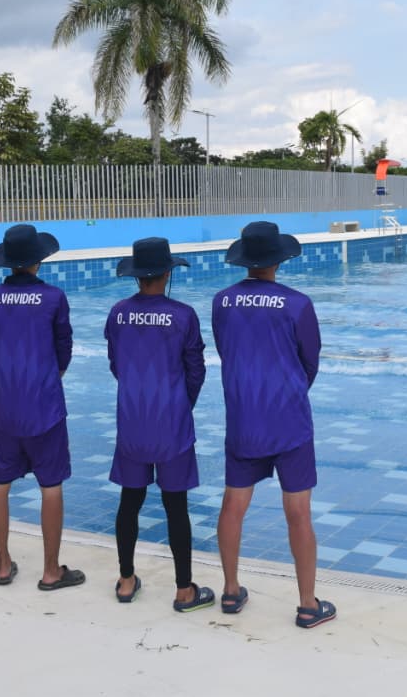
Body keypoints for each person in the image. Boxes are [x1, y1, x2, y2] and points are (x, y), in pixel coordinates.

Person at [212, 221, 336, 629]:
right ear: (279, 260)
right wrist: (290, 390)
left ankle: (230, 591)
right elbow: (310, 361)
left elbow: (225, 349)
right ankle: (306, 604)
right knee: (298, 512)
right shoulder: (297, 304)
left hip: (243, 417)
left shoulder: (222, 302)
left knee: (234, 505)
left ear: (244, 260)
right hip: (289, 420)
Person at [104, 237, 212, 611]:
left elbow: (116, 364)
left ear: (136, 277)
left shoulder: (118, 313)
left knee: (129, 501)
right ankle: (184, 590)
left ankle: (125, 579)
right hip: (172, 423)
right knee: (176, 506)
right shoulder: (183, 315)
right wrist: (182, 404)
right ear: (168, 273)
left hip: (132, 420)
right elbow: (195, 370)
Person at [0, 224, 84, 591]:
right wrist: (49, 375)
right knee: (51, 485)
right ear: (38, 260)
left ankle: (3, 565)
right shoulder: (53, 298)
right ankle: (51, 570)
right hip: (45, 408)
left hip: (6, 406)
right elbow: (64, 348)